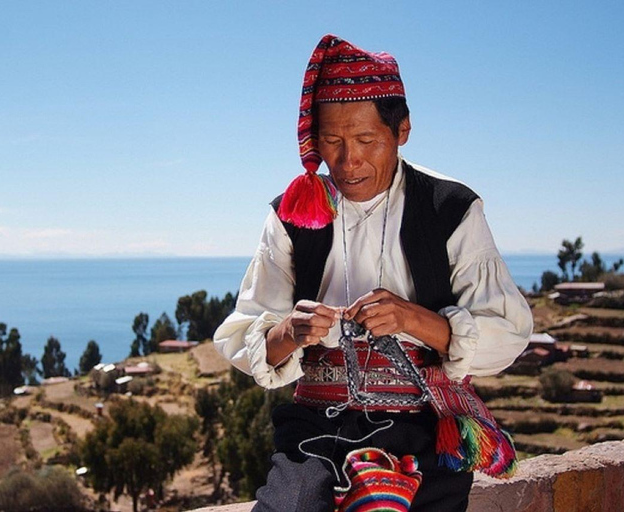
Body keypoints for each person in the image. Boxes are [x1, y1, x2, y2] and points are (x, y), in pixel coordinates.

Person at [214, 34, 532, 512]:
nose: (348, 161)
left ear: (401, 130)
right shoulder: (292, 214)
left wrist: (413, 319)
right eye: (332, 142)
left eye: (366, 140)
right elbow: (245, 330)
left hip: (424, 425)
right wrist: (289, 331)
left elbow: (508, 331)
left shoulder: (449, 208)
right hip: (317, 425)